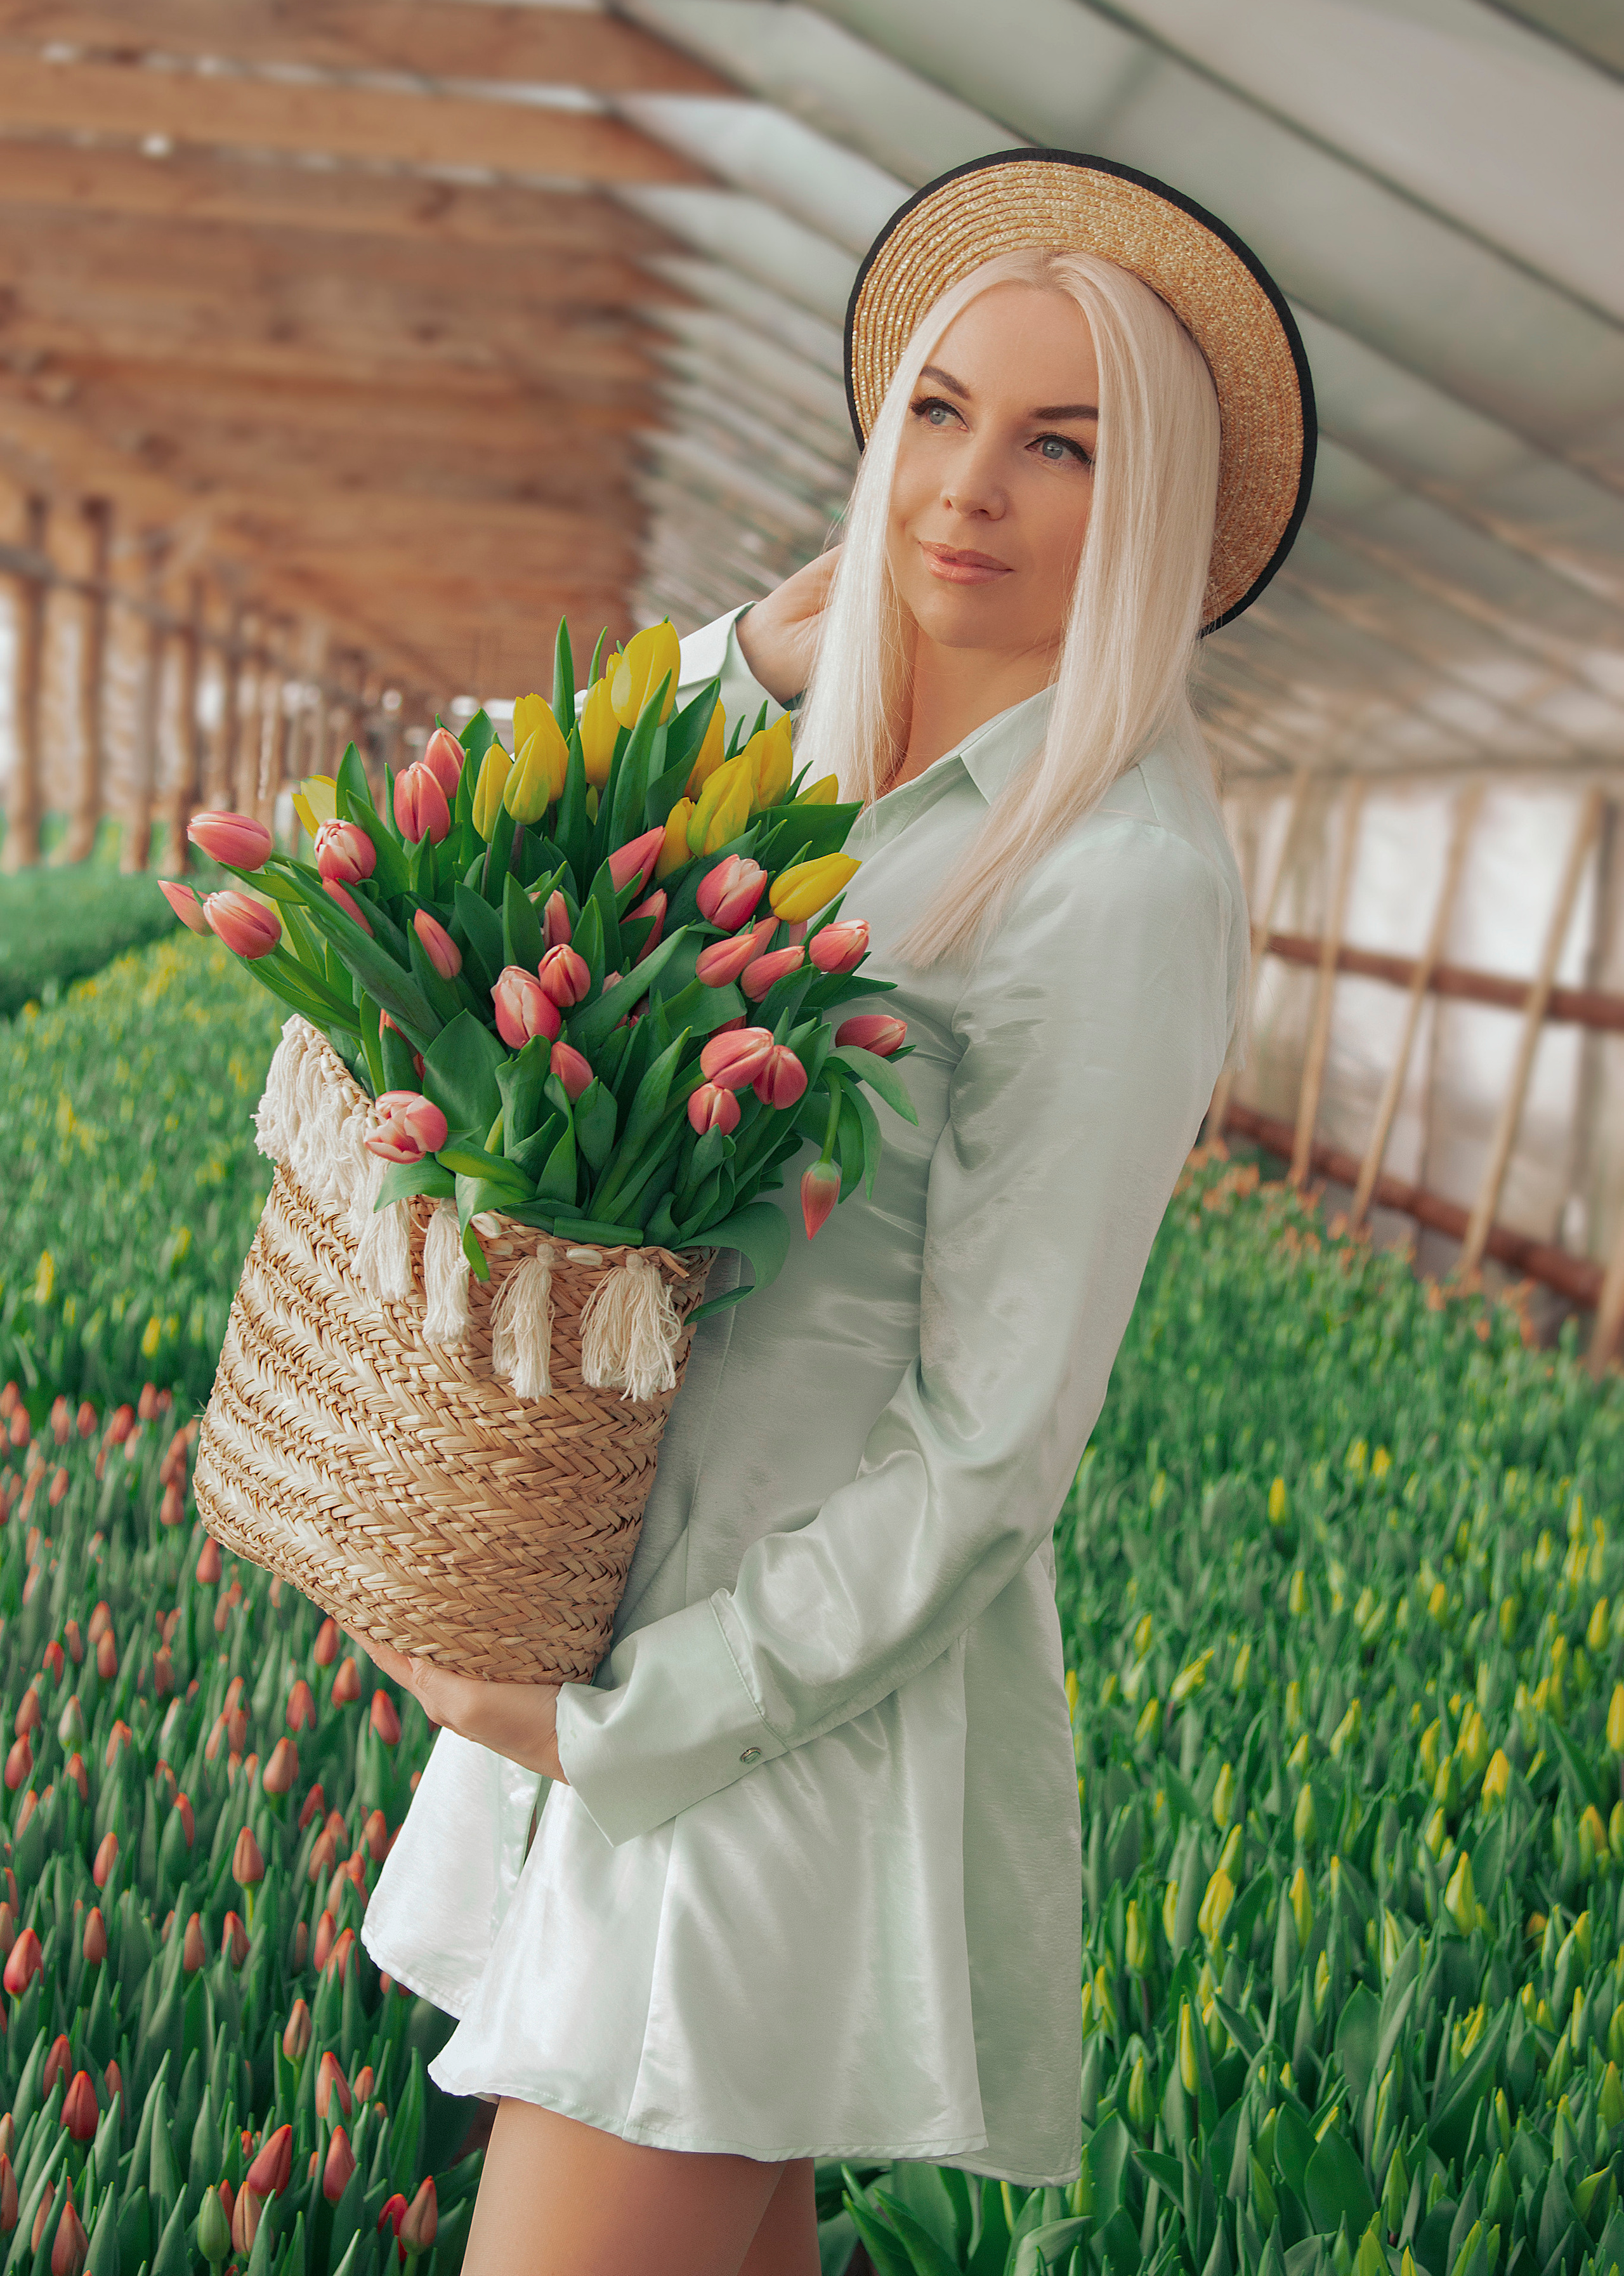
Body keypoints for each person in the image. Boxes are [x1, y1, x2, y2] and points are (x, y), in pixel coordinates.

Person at [355, 150, 1315, 2276]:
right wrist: (759, 638)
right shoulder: (839, 770)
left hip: (760, 1729)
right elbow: (471, 812)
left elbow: (995, 1444)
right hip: (654, 1653)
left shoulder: (1109, 880)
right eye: (941, 415)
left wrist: (627, 1724)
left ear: (1141, 504)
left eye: (1061, 445)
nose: (971, 486)